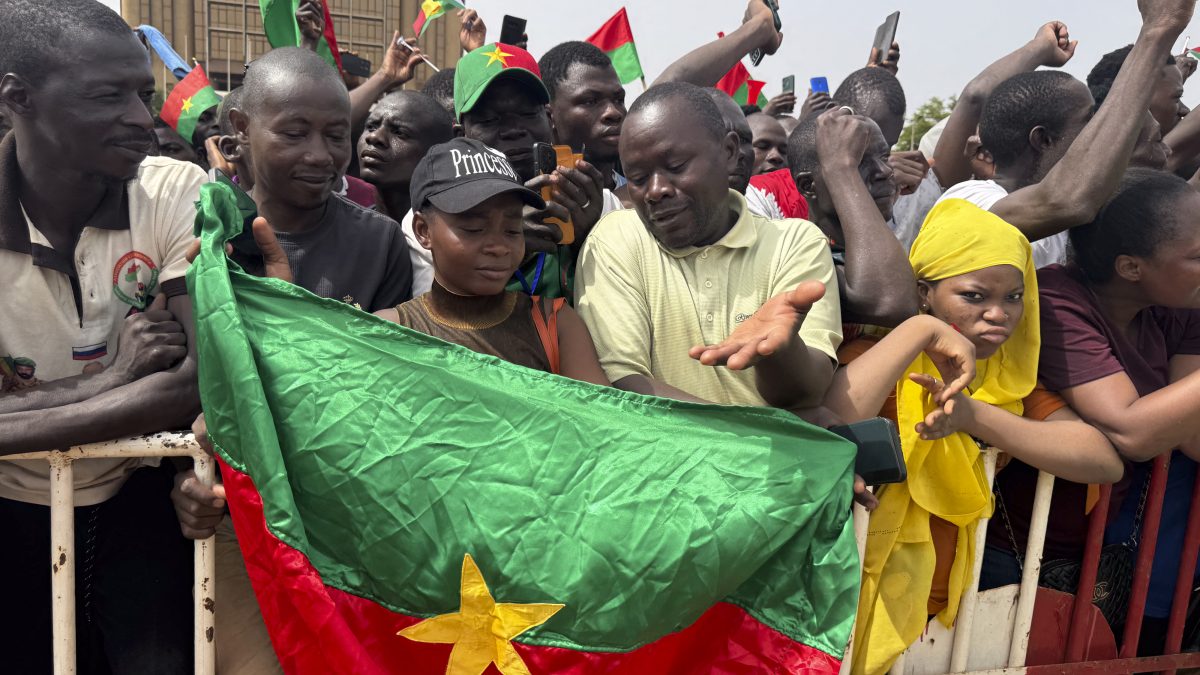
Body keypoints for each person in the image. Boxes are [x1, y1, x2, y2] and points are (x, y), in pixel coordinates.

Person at [0, 0, 205, 670]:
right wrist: (116, 378)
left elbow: (193, 380)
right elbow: (152, 385)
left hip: (140, 496)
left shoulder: (177, 190)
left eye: (143, 94)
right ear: (18, 98)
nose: (143, 121)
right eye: (107, 96)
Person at [839, 198, 1120, 675]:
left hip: (951, 607)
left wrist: (974, 417)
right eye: (974, 296)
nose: (999, 313)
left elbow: (1101, 460)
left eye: (1014, 296)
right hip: (853, 592)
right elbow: (835, 413)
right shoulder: (883, 355)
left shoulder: (1006, 382)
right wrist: (920, 330)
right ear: (924, 290)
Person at [576, 82, 841, 409]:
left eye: (675, 167)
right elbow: (624, 389)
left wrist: (780, 351)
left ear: (729, 153)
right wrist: (753, 432)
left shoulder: (795, 243)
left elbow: (807, 394)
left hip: (782, 461)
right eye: (639, 177)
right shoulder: (614, 239)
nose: (655, 190)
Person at [1034, 169, 1200, 655]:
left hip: (1116, 541)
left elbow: (1191, 436)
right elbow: (1134, 431)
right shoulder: (1056, 300)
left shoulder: (1179, 302)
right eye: (1196, 256)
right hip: (1035, 543)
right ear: (1131, 268)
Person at [938, 0, 1194, 268]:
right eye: (1087, 119)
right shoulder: (973, 199)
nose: (1095, 130)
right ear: (1043, 139)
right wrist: (1158, 31)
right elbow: (1066, 201)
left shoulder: (1062, 212)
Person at [224, 46, 413, 312]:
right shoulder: (217, 236)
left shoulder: (380, 242)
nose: (320, 156)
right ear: (243, 128)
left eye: (336, 137)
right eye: (295, 134)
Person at [456, 42, 609, 300]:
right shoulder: (445, 217)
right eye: (490, 119)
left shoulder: (594, 201)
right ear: (460, 136)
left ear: (549, 119)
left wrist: (590, 239)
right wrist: (507, 245)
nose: (513, 129)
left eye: (528, 113)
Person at [788, 109, 919, 327]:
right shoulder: (799, 256)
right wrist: (842, 169)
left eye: (884, 157)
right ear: (808, 186)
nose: (885, 171)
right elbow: (890, 304)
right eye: (859, 161)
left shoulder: (890, 247)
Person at [358, 90, 455, 295]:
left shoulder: (453, 240)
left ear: (440, 150)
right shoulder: (351, 230)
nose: (375, 137)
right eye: (371, 126)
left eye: (399, 132)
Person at [539, 41, 628, 192]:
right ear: (549, 116)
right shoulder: (530, 205)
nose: (613, 112)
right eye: (590, 101)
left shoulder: (649, 201)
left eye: (619, 100)